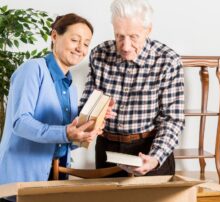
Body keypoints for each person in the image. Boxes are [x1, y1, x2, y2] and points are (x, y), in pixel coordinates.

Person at [0, 13, 111, 202]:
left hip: (55, 175)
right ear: (54, 36)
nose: (80, 48)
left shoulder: (70, 87)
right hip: (21, 178)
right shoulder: (33, 69)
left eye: (86, 43)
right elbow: (20, 123)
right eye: (75, 40)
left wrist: (86, 131)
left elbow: (62, 141)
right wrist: (67, 133)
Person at [79, 0, 185, 177]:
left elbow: (172, 119)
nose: (126, 46)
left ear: (148, 30)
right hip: (108, 149)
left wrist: (154, 158)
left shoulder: (168, 61)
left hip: (150, 148)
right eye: (119, 36)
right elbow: (86, 105)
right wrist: (95, 113)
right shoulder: (99, 54)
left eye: (133, 37)